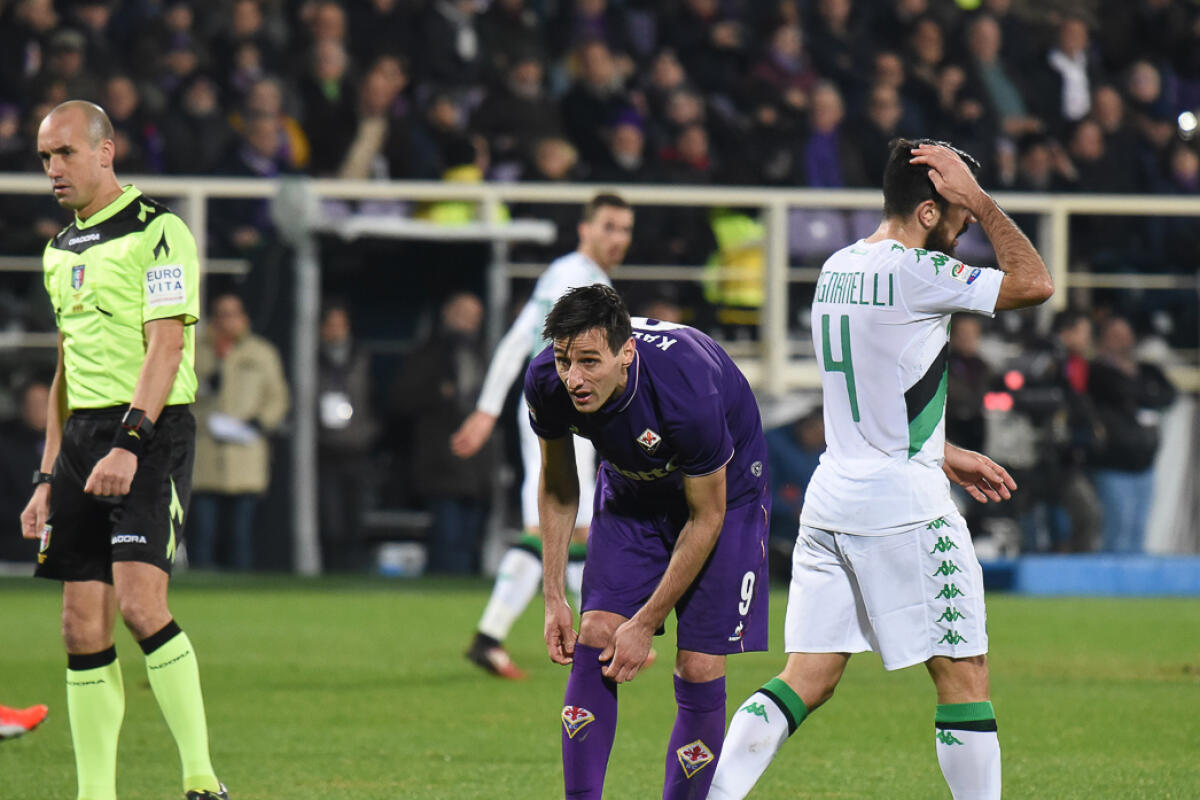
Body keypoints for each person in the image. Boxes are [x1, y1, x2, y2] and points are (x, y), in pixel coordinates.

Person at [709, 139, 1054, 800]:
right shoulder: (916, 270)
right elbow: (1036, 283)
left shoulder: (839, 266)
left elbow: (866, 387)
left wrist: (941, 451)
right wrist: (982, 202)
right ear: (929, 212)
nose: (963, 229)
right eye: (953, 214)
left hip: (833, 495)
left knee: (808, 675)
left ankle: (716, 796)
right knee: (964, 676)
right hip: (903, 507)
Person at [20, 100, 227, 800]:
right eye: (45, 156)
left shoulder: (158, 230)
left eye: (65, 153)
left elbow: (166, 345)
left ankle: (201, 777)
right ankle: (95, 794)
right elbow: (64, 371)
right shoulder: (57, 250)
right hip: (81, 442)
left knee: (141, 604)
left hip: (149, 431)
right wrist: (47, 474)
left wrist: (129, 445)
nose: (52, 168)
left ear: (105, 152)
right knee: (80, 626)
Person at [531, 284, 771, 800]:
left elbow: (706, 516)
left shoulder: (687, 389)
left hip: (728, 498)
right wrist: (553, 594)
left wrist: (644, 623)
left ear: (627, 353)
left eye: (590, 362)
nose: (574, 378)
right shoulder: (547, 380)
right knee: (595, 632)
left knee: (699, 664)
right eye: (564, 360)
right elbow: (556, 482)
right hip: (632, 489)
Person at [451, 193, 633, 680]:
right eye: (610, 227)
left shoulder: (574, 274)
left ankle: (599, 632)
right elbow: (521, 341)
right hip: (559, 411)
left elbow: (519, 338)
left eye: (625, 229)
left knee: (582, 529)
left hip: (570, 411)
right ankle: (491, 636)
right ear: (585, 229)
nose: (619, 239)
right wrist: (486, 411)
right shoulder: (575, 276)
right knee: (551, 527)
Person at [391, 292, 492, 575]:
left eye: (474, 316)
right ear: (446, 314)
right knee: (447, 543)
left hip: (478, 470)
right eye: (462, 314)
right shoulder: (426, 355)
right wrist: (438, 394)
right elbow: (400, 399)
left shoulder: (484, 354)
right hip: (441, 464)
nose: (467, 322)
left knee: (470, 543)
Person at [190, 292, 290, 571]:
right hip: (206, 454)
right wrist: (206, 385)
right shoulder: (196, 350)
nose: (227, 321)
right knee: (203, 531)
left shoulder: (261, 352)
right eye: (221, 314)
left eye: (233, 314)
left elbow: (278, 396)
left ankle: (241, 585)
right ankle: (202, 584)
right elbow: (178, 394)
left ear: (243, 318)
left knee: (240, 532)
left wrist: (262, 421)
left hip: (245, 454)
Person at [1088, 317, 1176, 554]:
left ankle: (1136, 588)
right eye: (1115, 335)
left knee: (1139, 529)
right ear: (1103, 339)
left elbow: (1169, 394)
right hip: (1114, 463)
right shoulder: (1098, 371)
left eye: (1125, 334)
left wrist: (1138, 398)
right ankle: (1110, 587)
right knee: (1118, 529)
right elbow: (1119, 393)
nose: (1121, 340)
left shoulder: (1147, 370)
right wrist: (1143, 396)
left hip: (1145, 462)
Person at [316, 301, 378, 572]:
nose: (336, 331)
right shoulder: (311, 359)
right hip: (325, 449)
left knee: (356, 515)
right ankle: (331, 568)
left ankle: (355, 569)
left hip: (357, 449)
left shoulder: (361, 358)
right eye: (331, 325)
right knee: (331, 518)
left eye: (341, 325)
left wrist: (369, 432)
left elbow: (375, 399)